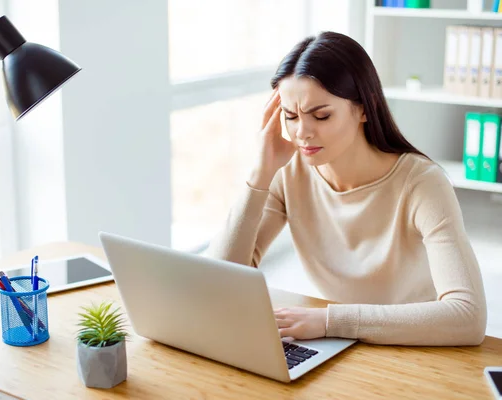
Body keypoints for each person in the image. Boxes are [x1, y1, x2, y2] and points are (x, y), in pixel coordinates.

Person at [205, 31, 487, 346]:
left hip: (415, 346)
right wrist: (259, 175)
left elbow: (468, 316)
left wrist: (330, 321)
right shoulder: (288, 173)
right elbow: (217, 283)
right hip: (340, 346)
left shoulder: (422, 183)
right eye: (290, 116)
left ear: (364, 108)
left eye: (321, 115)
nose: (303, 132)